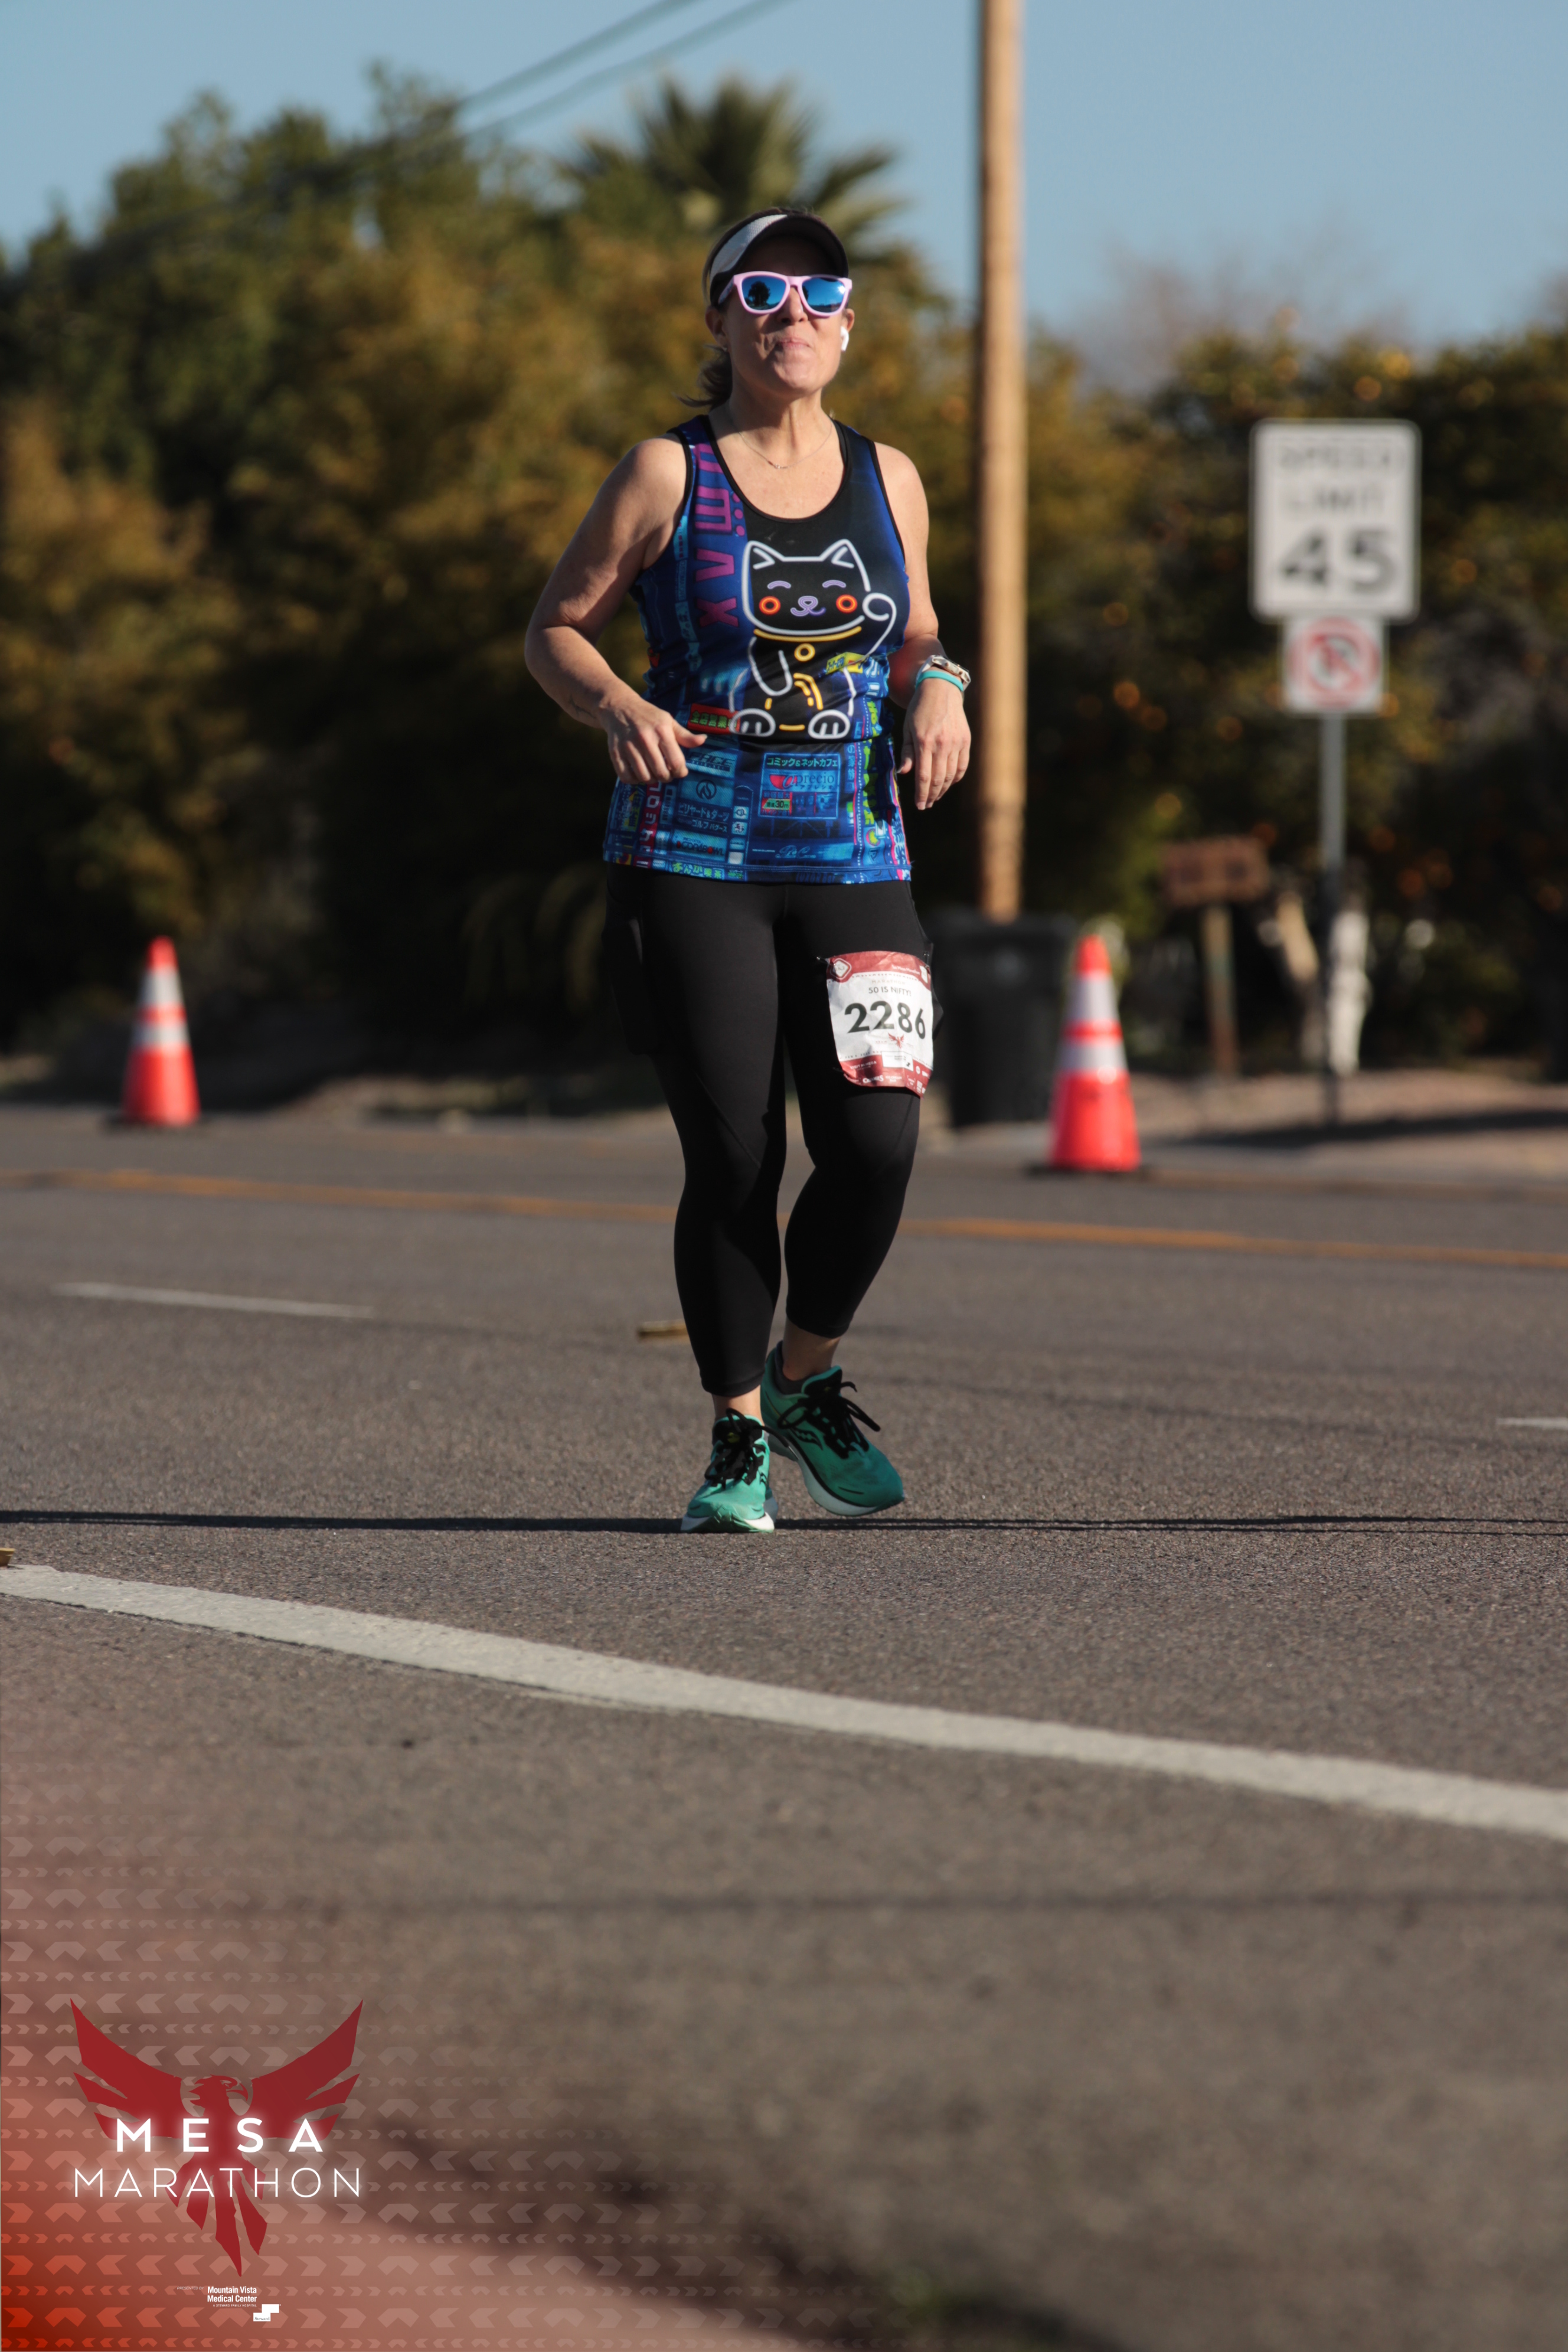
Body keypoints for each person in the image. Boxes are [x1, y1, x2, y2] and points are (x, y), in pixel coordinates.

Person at [525, 207, 970, 1531]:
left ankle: (804, 1375)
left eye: (820, 296)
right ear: (721, 318)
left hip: (853, 847)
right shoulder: (667, 473)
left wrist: (941, 686)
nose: (794, 317)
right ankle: (735, 1440)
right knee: (733, 1155)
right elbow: (555, 629)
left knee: (878, 1140)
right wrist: (616, 704)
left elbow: (918, 629)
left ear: (849, 325)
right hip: (693, 847)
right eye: (763, 293)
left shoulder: (888, 477)